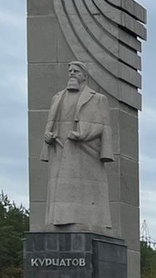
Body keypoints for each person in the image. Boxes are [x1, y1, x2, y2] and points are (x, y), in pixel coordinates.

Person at [41, 61, 114, 230]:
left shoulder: (97, 98)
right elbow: (51, 123)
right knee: (60, 190)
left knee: (85, 190)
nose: (72, 73)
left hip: (86, 152)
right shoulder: (57, 97)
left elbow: (103, 126)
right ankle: (60, 219)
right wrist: (48, 135)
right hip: (59, 148)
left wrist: (83, 134)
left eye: (76, 71)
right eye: (70, 71)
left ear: (85, 76)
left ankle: (88, 221)